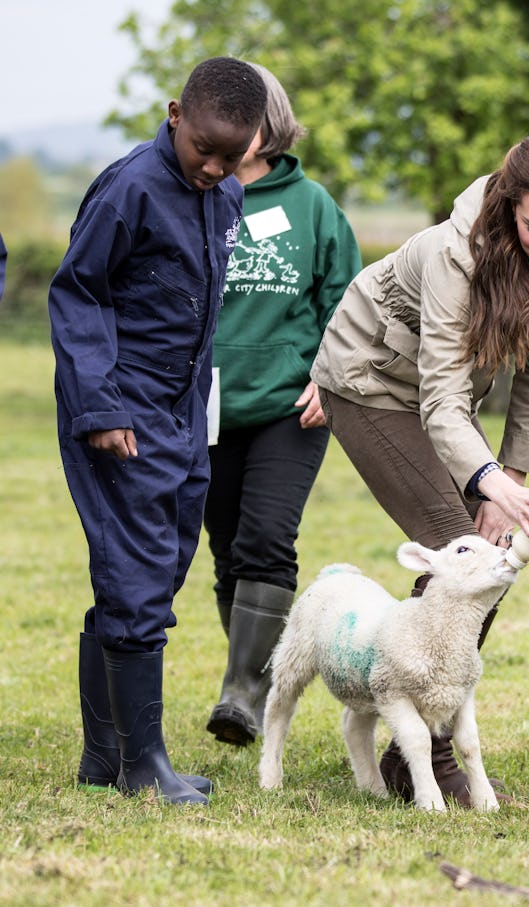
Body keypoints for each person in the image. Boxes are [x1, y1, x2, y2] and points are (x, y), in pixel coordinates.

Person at [311, 132, 529, 805]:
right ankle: (424, 749)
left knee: (491, 556)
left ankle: (409, 738)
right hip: (366, 383)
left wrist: (512, 476)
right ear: (510, 210)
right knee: (463, 545)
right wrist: (491, 487)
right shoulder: (458, 255)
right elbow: (441, 397)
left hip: (436, 400)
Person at [49, 58, 268, 806]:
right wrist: (100, 406)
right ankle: (144, 765)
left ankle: (103, 757)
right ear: (175, 114)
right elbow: (77, 293)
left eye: (229, 156)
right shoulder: (130, 186)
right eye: (202, 147)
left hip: (184, 411)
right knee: (137, 573)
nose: (212, 166)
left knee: (158, 565)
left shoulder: (227, 195)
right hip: (122, 405)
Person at [202, 63, 362, 747]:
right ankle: (256, 675)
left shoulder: (314, 206)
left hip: (289, 408)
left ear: (272, 121)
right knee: (227, 549)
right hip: (202, 407)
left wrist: (331, 377)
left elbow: (353, 306)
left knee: (267, 537)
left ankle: (242, 690)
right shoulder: (195, 195)